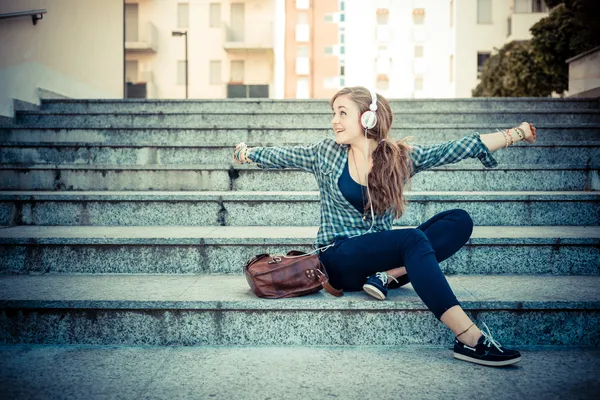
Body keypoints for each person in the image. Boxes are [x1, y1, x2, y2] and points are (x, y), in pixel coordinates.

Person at [233, 86, 537, 367]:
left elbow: (455, 148)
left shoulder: (397, 158)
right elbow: (283, 156)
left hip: (376, 258)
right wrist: (248, 154)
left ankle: (387, 277)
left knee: (460, 220)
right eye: (333, 113)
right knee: (413, 240)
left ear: (367, 118)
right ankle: (469, 339)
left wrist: (515, 134)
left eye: (342, 113)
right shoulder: (325, 153)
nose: (334, 121)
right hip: (339, 258)